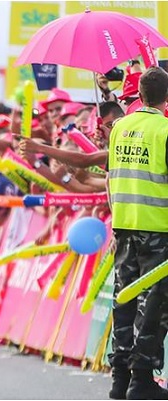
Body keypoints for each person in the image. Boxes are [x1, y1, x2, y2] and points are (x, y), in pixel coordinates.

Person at [107, 66, 168, 400]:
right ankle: (140, 380)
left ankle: (119, 379)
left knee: (124, 303)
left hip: (125, 224)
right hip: (158, 229)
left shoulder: (120, 127)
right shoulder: (164, 130)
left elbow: (111, 175)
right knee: (153, 305)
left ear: (140, 94)